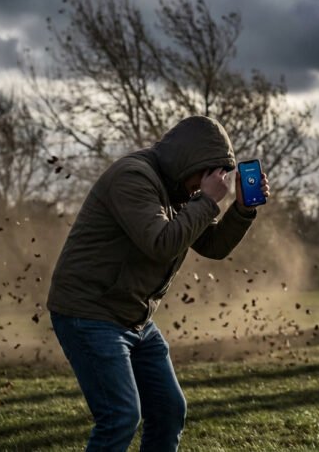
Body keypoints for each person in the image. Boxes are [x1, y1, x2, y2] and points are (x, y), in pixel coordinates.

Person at [46, 115, 270, 452]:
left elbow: (213, 246)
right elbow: (161, 243)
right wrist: (208, 202)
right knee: (120, 416)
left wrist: (240, 210)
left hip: (133, 316)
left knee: (168, 411)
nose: (207, 184)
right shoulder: (133, 177)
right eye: (207, 174)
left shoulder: (178, 190)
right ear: (189, 161)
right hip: (90, 312)